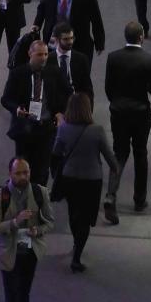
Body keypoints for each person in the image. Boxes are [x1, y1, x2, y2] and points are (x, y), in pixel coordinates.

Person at [0, 158, 54, 302]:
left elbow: (49, 221)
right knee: (11, 296)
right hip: (8, 253)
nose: (23, 176)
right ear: (10, 174)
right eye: (18, 173)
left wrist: (38, 230)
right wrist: (15, 223)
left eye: (26, 172)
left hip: (30, 253)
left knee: (24, 293)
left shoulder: (40, 193)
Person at [50, 91, 118, 272]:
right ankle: (77, 255)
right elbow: (109, 157)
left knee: (74, 213)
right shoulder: (97, 130)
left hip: (70, 178)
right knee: (87, 218)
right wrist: (115, 167)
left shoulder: (64, 128)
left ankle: (75, 242)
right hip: (92, 180)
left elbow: (56, 151)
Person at [103, 20, 151, 223]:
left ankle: (111, 194)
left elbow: (108, 88)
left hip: (118, 112)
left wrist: (117, 103)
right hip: (140, 114)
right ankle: (139, 200)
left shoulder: (113, 58)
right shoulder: (149, 60)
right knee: (140, 154)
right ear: (142, 37)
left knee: (118, 153)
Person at [0, 38, 71, 184]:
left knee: (42, 171)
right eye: (39, 55)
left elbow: (68, 94)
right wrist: (17, 109)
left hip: (46, 130)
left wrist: (60, 112)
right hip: (24, 130)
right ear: (29, 54)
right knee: (22, 172)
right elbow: (5, 99)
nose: (43, 58)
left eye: (45, 54)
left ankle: (39, 203)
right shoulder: (17, 74)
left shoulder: (53, 72)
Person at [34, 0, 105, 64]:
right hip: (53, 41)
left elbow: (96, 21)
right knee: (52, 72)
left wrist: (99, 43)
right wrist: (37, 24)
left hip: (78, 43)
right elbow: (42, 8)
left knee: (77, 74)